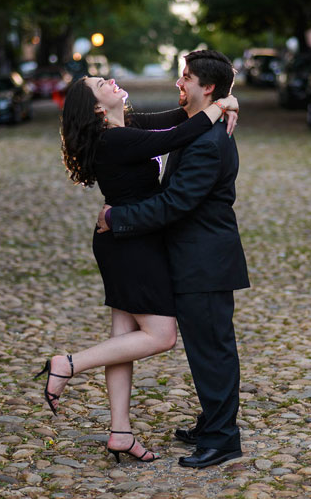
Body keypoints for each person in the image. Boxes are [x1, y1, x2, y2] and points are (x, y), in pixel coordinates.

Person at [38, 71, 239, 464]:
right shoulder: (114, 139)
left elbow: (179, 118)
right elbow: (176, 137)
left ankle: (120, 432)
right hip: (130, 245)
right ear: (98, 107)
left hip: (125, 240)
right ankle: (68, 364)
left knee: (122, 339)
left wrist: (228, 101)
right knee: (161, 336)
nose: (110, 80)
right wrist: (219, 105)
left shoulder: (125, 124)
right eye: (101, 85)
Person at [97, 49, 250, 468]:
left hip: (205, 261)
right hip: (193, 258)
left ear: (208, 87)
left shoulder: (208, 142)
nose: (179, 83)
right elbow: (145, 126)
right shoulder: (195, 125)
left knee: (213, 350)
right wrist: (226, 103)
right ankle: (212, 424)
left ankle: (223, 439)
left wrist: (117, 217)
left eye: (185, 78)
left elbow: (174, 204)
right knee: (206, 348)